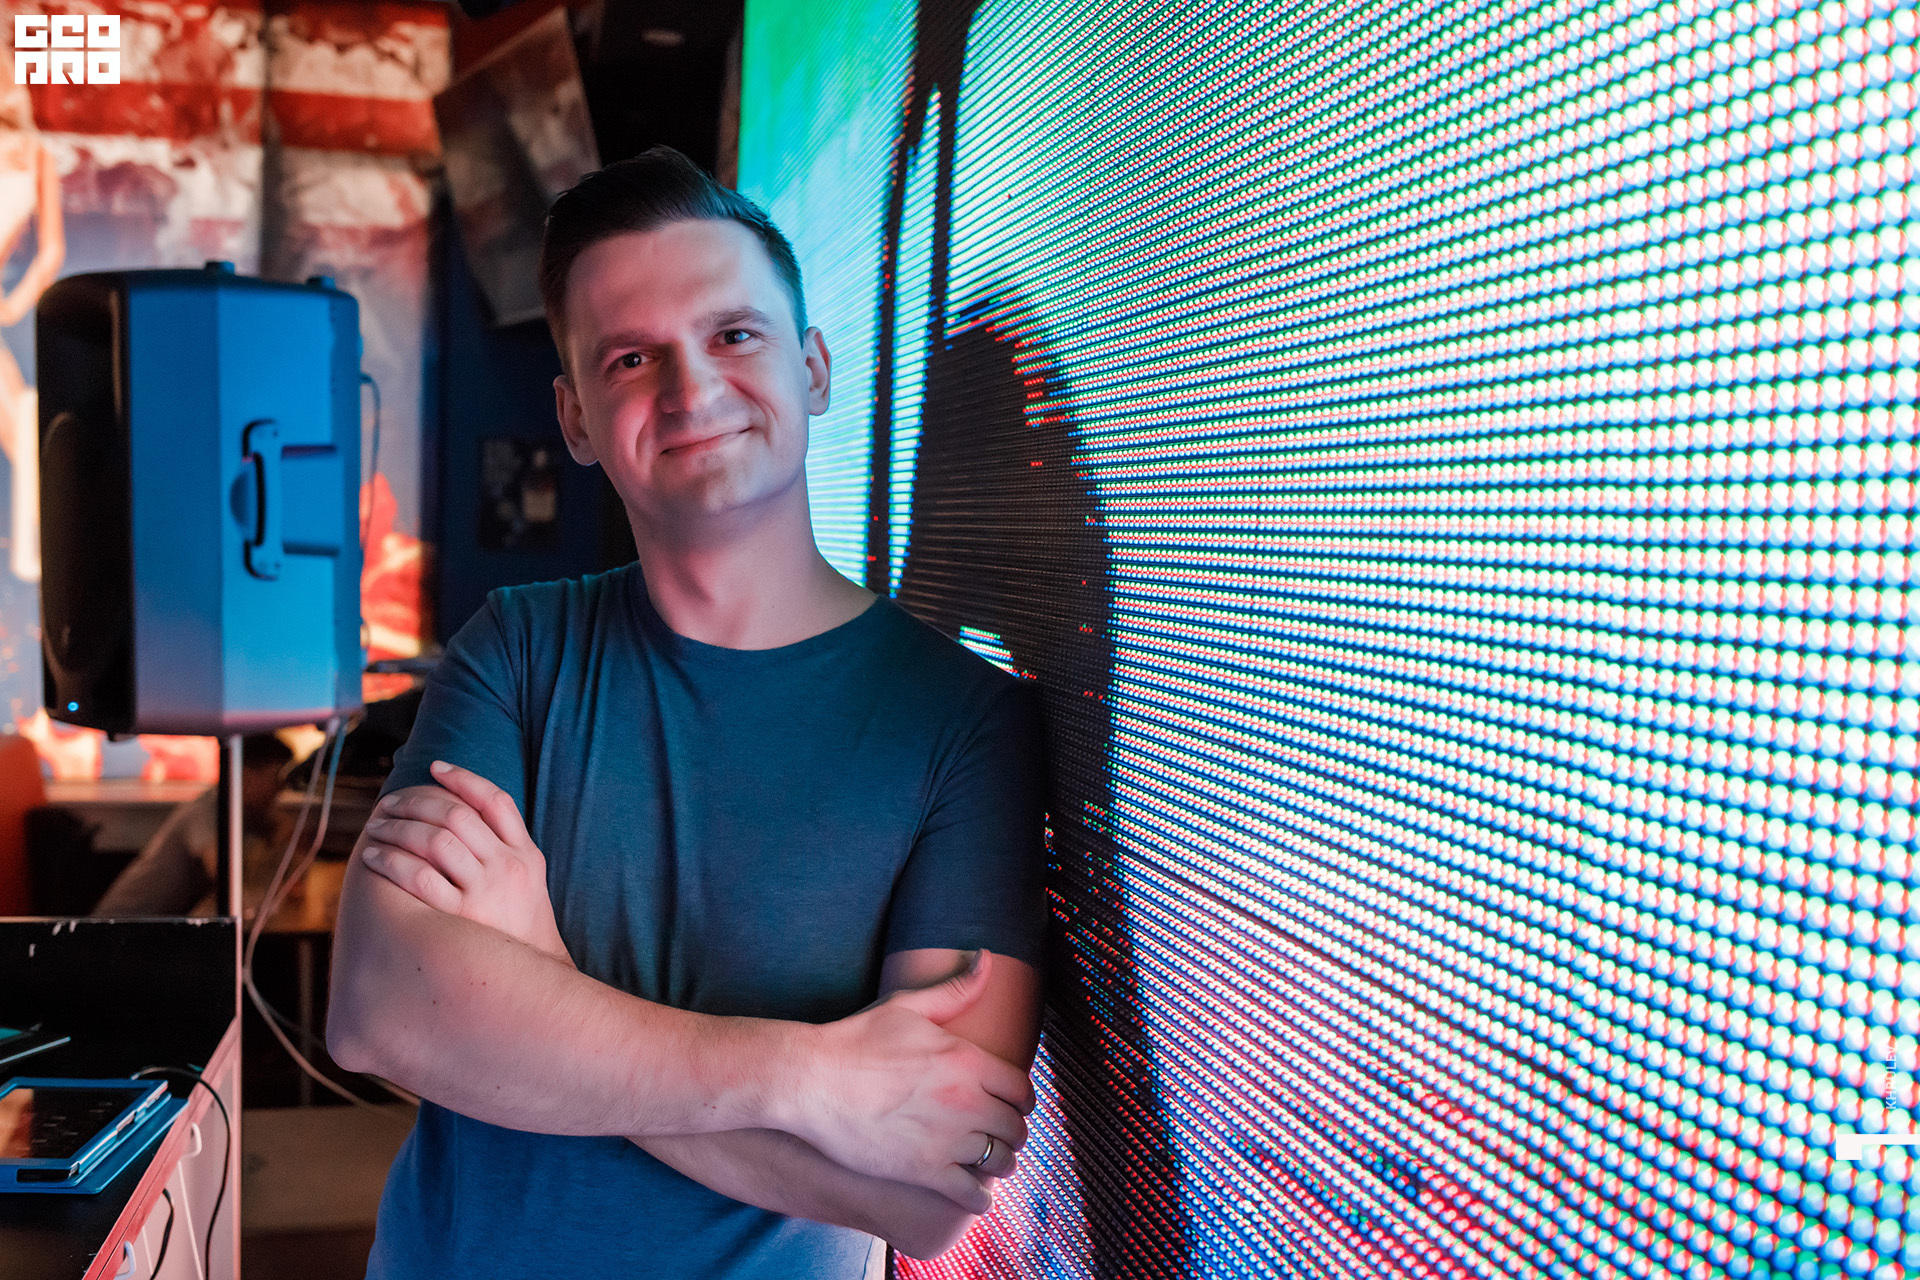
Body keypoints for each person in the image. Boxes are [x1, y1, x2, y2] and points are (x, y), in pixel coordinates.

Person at [326, 147, 1049, 1277]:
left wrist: (540, 980)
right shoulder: (516, 650)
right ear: (574, 417)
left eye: (735, 335)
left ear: (814, 367)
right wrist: (803, 1077)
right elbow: (379, 1010)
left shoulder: (967, 726)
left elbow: (925, 1194)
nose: (691, 389)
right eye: (631, 357)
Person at [91, 733, 295, 917]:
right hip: (118, 928)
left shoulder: (243, 812)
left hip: (156, 928)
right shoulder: (206, 809)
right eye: (277, 778)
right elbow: (224, 876)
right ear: (247, 775)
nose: (281, 789)